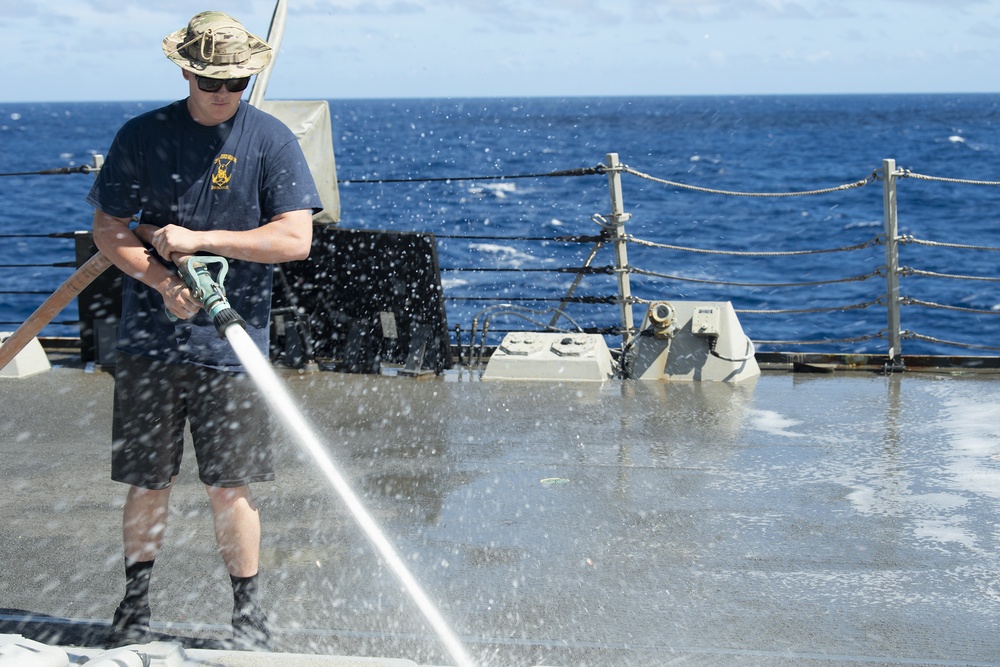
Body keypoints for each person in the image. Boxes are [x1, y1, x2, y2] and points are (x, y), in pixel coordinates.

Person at [87, 10, 322, 651]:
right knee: (148, 480)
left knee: (230, 485)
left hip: (233, 346)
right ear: (185, 71)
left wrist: (202, 240)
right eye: (209, 78)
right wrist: (162, 282)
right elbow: (110, 227)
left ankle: (248, 616)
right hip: (149, 345)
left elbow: (294, 238)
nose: (223, 91)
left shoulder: (272, 141)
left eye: (237, 81)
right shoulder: (142, 136)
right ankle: (133, 608)